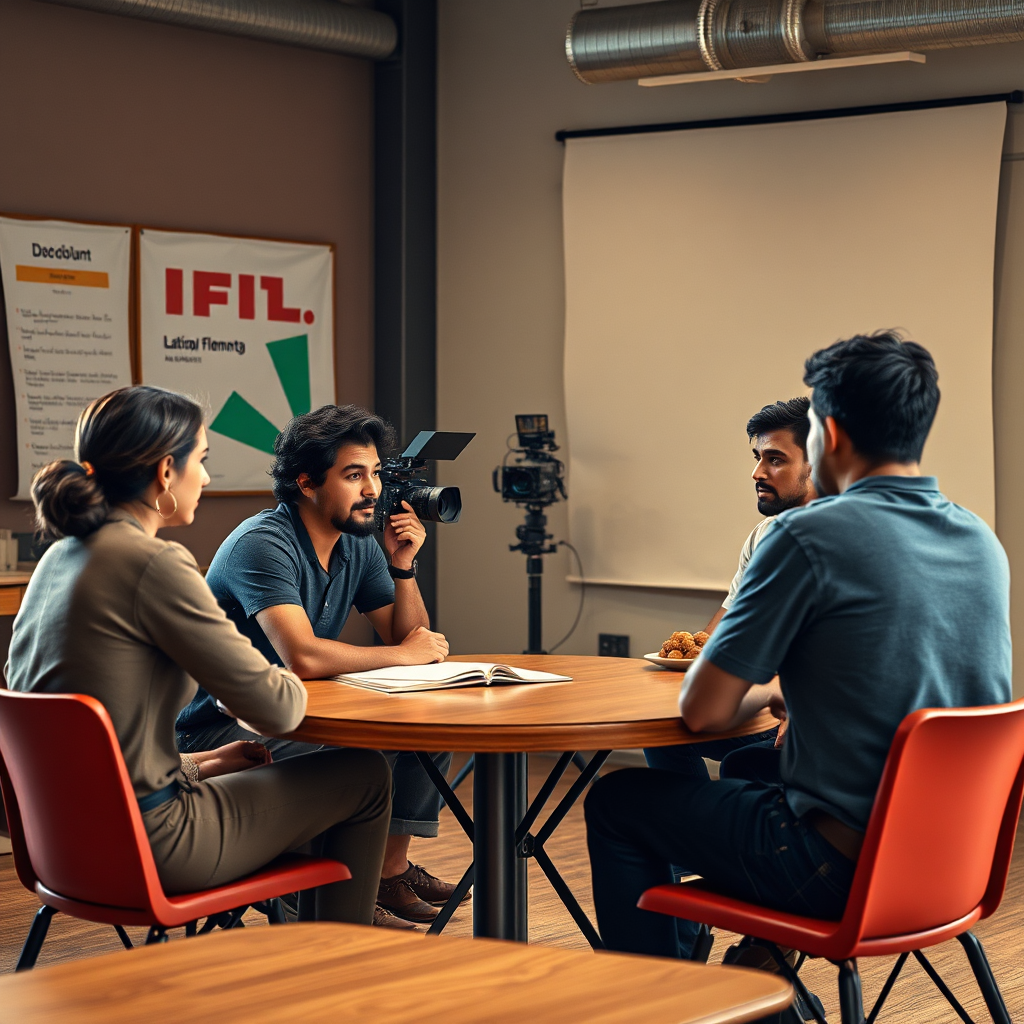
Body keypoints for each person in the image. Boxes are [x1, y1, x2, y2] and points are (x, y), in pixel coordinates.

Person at [586, 330, 1012, 962]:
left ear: (828, 436)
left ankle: (662, 998)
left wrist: (770, 688)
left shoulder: (806, 536)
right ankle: (759, 975)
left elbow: (702, 709)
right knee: (751, 771)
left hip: (835, 870)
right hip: (953, 867)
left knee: (617, 801)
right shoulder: (981, 540)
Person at [5, 387, 391, 924]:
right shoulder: (153, 564)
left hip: (63, 848)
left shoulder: (56, 559)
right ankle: (339, 954)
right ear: (166, 472)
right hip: (156, 845)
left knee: (301, 773)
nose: (206, 478)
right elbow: (277, 709)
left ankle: (306, 933)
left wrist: (200, 764)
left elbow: (89, 741)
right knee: (365, 774)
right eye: (202, 460)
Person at [176, 404, 462, 929]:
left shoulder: (358, 543)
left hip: (295, 711)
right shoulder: (263, 543)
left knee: (426, 729)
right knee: (354, 759)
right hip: (219, 728)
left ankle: (387, 874)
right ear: (306, 482)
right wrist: (405, 654)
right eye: (354, 475)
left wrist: (403, 567)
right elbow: (303, 657)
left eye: (375, 473)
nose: (372, 490)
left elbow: (410, 638)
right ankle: (333, 894)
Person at [644, 398, 817, 792]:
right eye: (758, 458)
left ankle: (715, 825)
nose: (757, 472)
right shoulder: (764, 536)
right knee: (663, 727)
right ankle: (695, 831)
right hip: (761, 701)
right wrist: (692, 655)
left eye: (775, 459)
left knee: (741, 762)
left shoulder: (848, 541)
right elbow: (724, 627)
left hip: (806, 716)